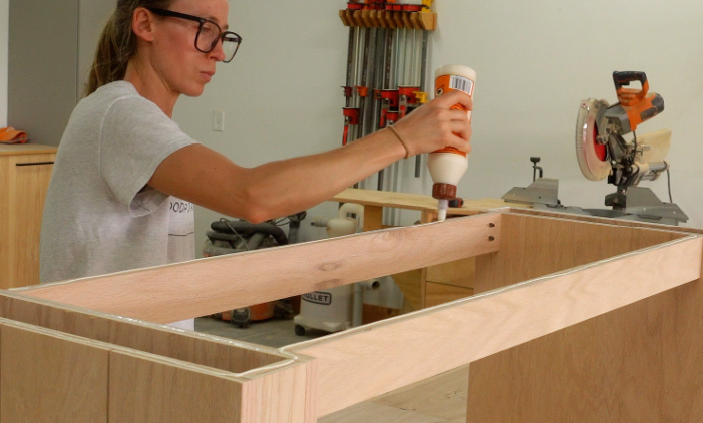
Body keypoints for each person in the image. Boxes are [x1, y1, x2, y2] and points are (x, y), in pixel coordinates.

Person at [39, 0, 473, 319]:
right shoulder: (119, 112)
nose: (218, 51)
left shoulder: (146, 125)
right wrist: (400, 138)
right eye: (204, 29)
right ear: (144, 23)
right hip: (98, 364)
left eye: (223, 34)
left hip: (137, 356)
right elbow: (251, 196)